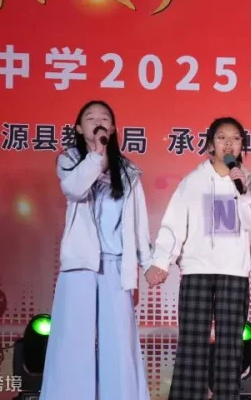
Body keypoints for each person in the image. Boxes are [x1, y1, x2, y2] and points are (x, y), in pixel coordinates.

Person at [147, 117, 251, 400]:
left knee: (230, 349)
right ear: (211, 145)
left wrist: (243, 191)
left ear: (242, 145)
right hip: (197, 271)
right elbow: (174, 224)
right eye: (222, 137)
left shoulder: (249, 180)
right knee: (192, 345)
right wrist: (161, 261)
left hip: (234, 272)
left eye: (235, 138)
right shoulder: (193, 181)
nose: (229, 143)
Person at [41, 100, 152, 400]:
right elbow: (74, 189)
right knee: (73, 341)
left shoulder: (128, 171)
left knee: (119, 343)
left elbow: (138, 222)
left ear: (112, 129)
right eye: (90, 118)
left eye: (105, 118)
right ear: (79, 128)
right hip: (80, 265)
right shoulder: (69, 160)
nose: (98, 122)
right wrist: (96, 156)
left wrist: (146, 263)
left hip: (116, 265)